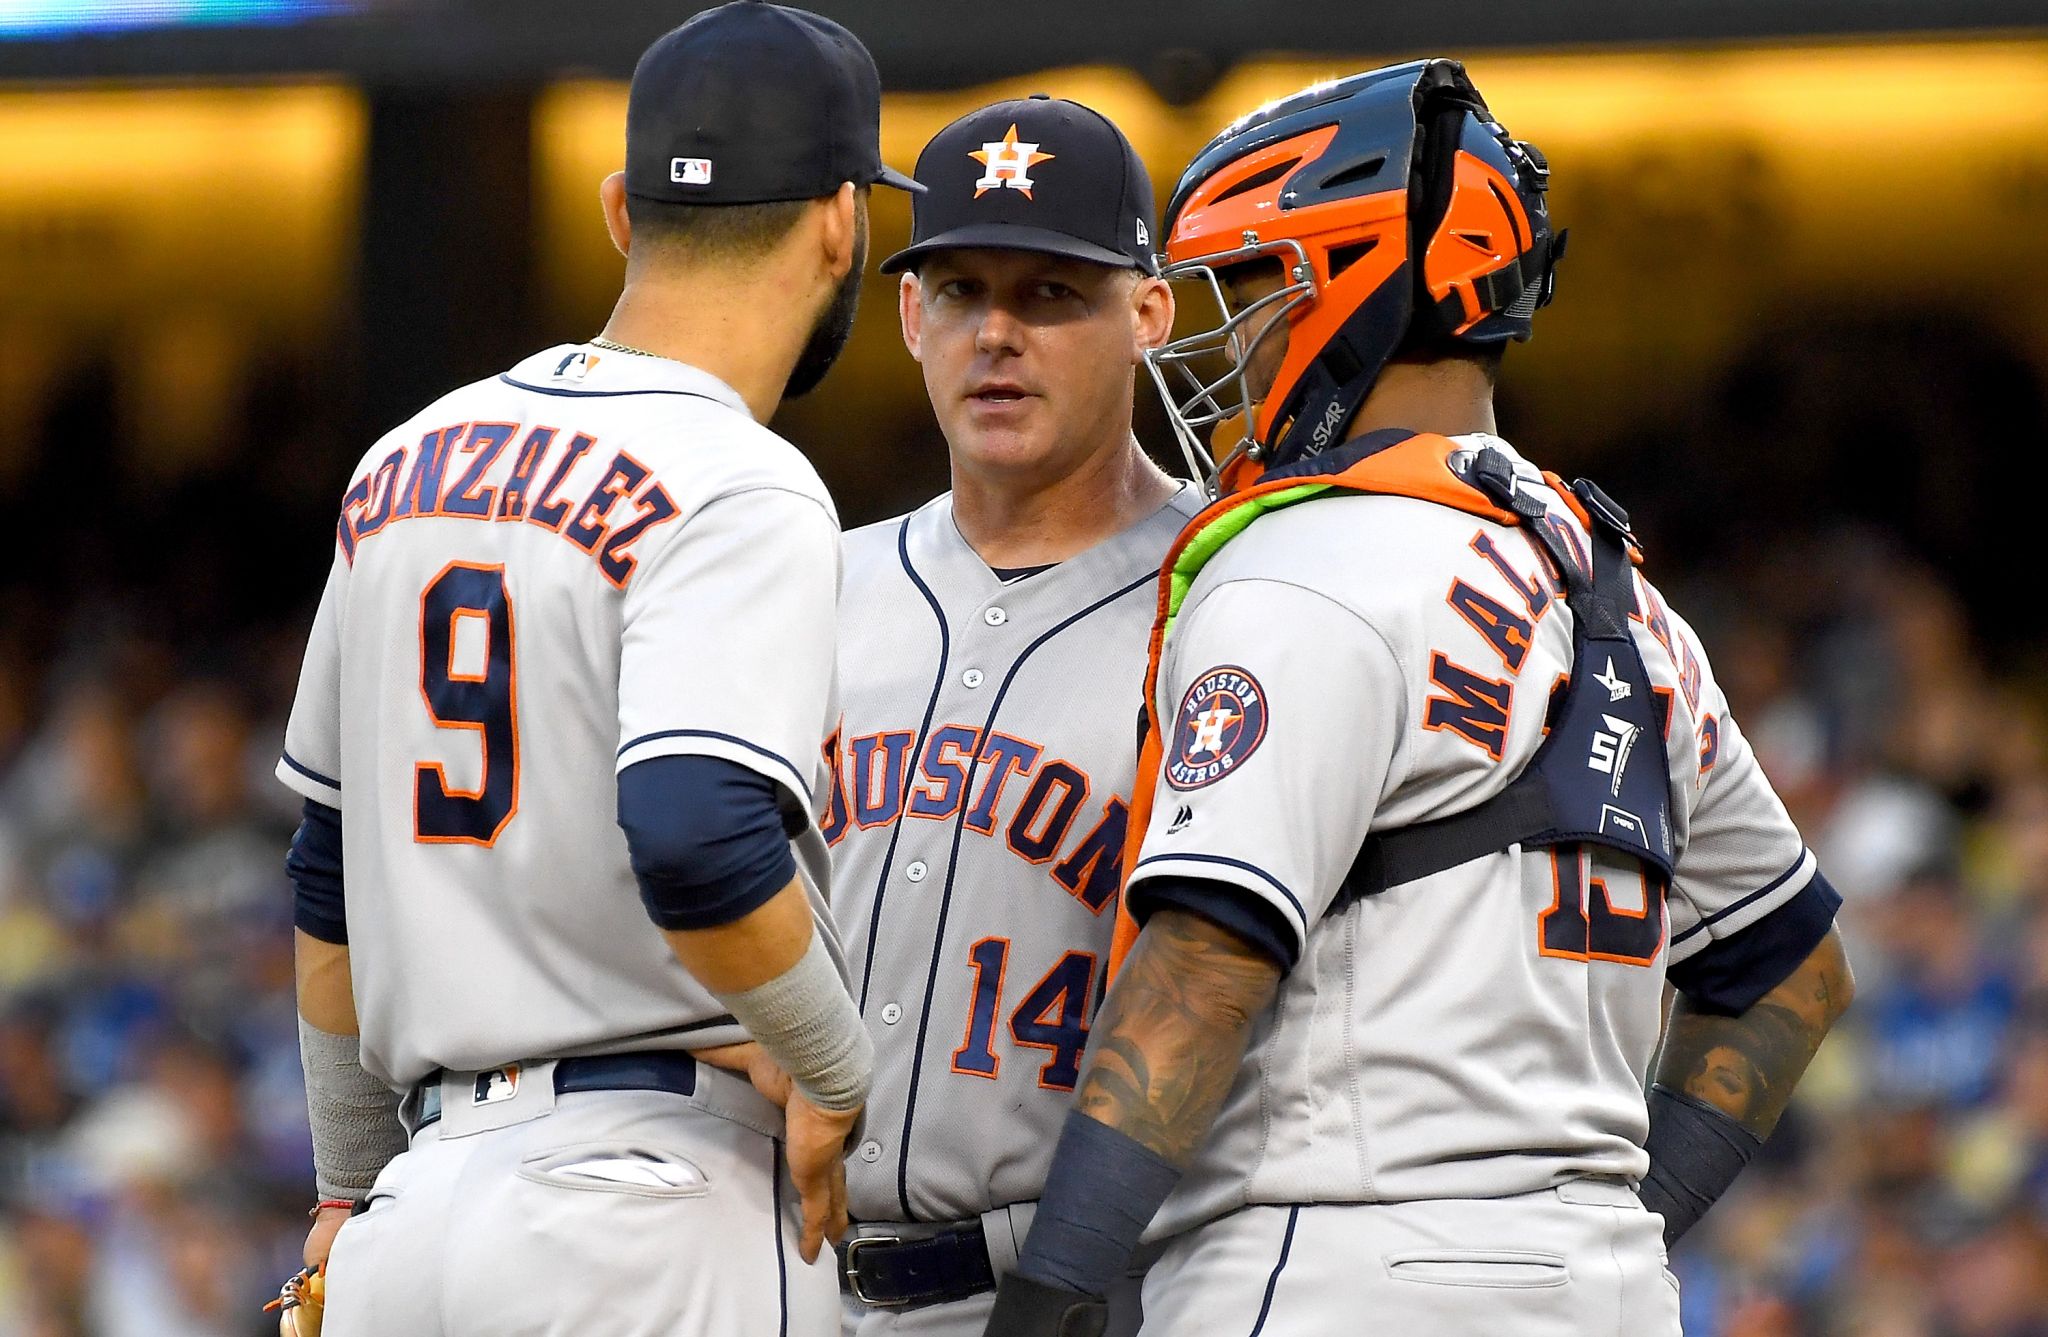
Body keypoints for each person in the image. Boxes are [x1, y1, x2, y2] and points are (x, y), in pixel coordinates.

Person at [983, 60, 1856, 1337]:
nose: (1233, 332)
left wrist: (1053, 1287)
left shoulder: (1303, 566)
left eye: (1255, 284)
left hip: (1332, 1262)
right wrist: (1607, 1223)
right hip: (1608, 1283)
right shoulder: (1622, 597)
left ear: (1357, 286)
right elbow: (1795, 974)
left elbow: (1206, 968)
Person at [270, 5, 920, 1333]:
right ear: (845, 222)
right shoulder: (739, 481)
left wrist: (345, 1190)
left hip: (417, 1217)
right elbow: (695, 832)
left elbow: (327, 876)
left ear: (622, 210)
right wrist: (835, 1067)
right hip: (643, 1212)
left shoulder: (402, 462)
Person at [826, 95, 1197, 1334]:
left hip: (1083, 1294)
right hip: (778, 1275)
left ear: (1146, 312)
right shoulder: (810, 587)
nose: (996, 333)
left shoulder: (1240, 597)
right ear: (907, 315)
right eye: (962, 289)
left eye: (1050, 295)